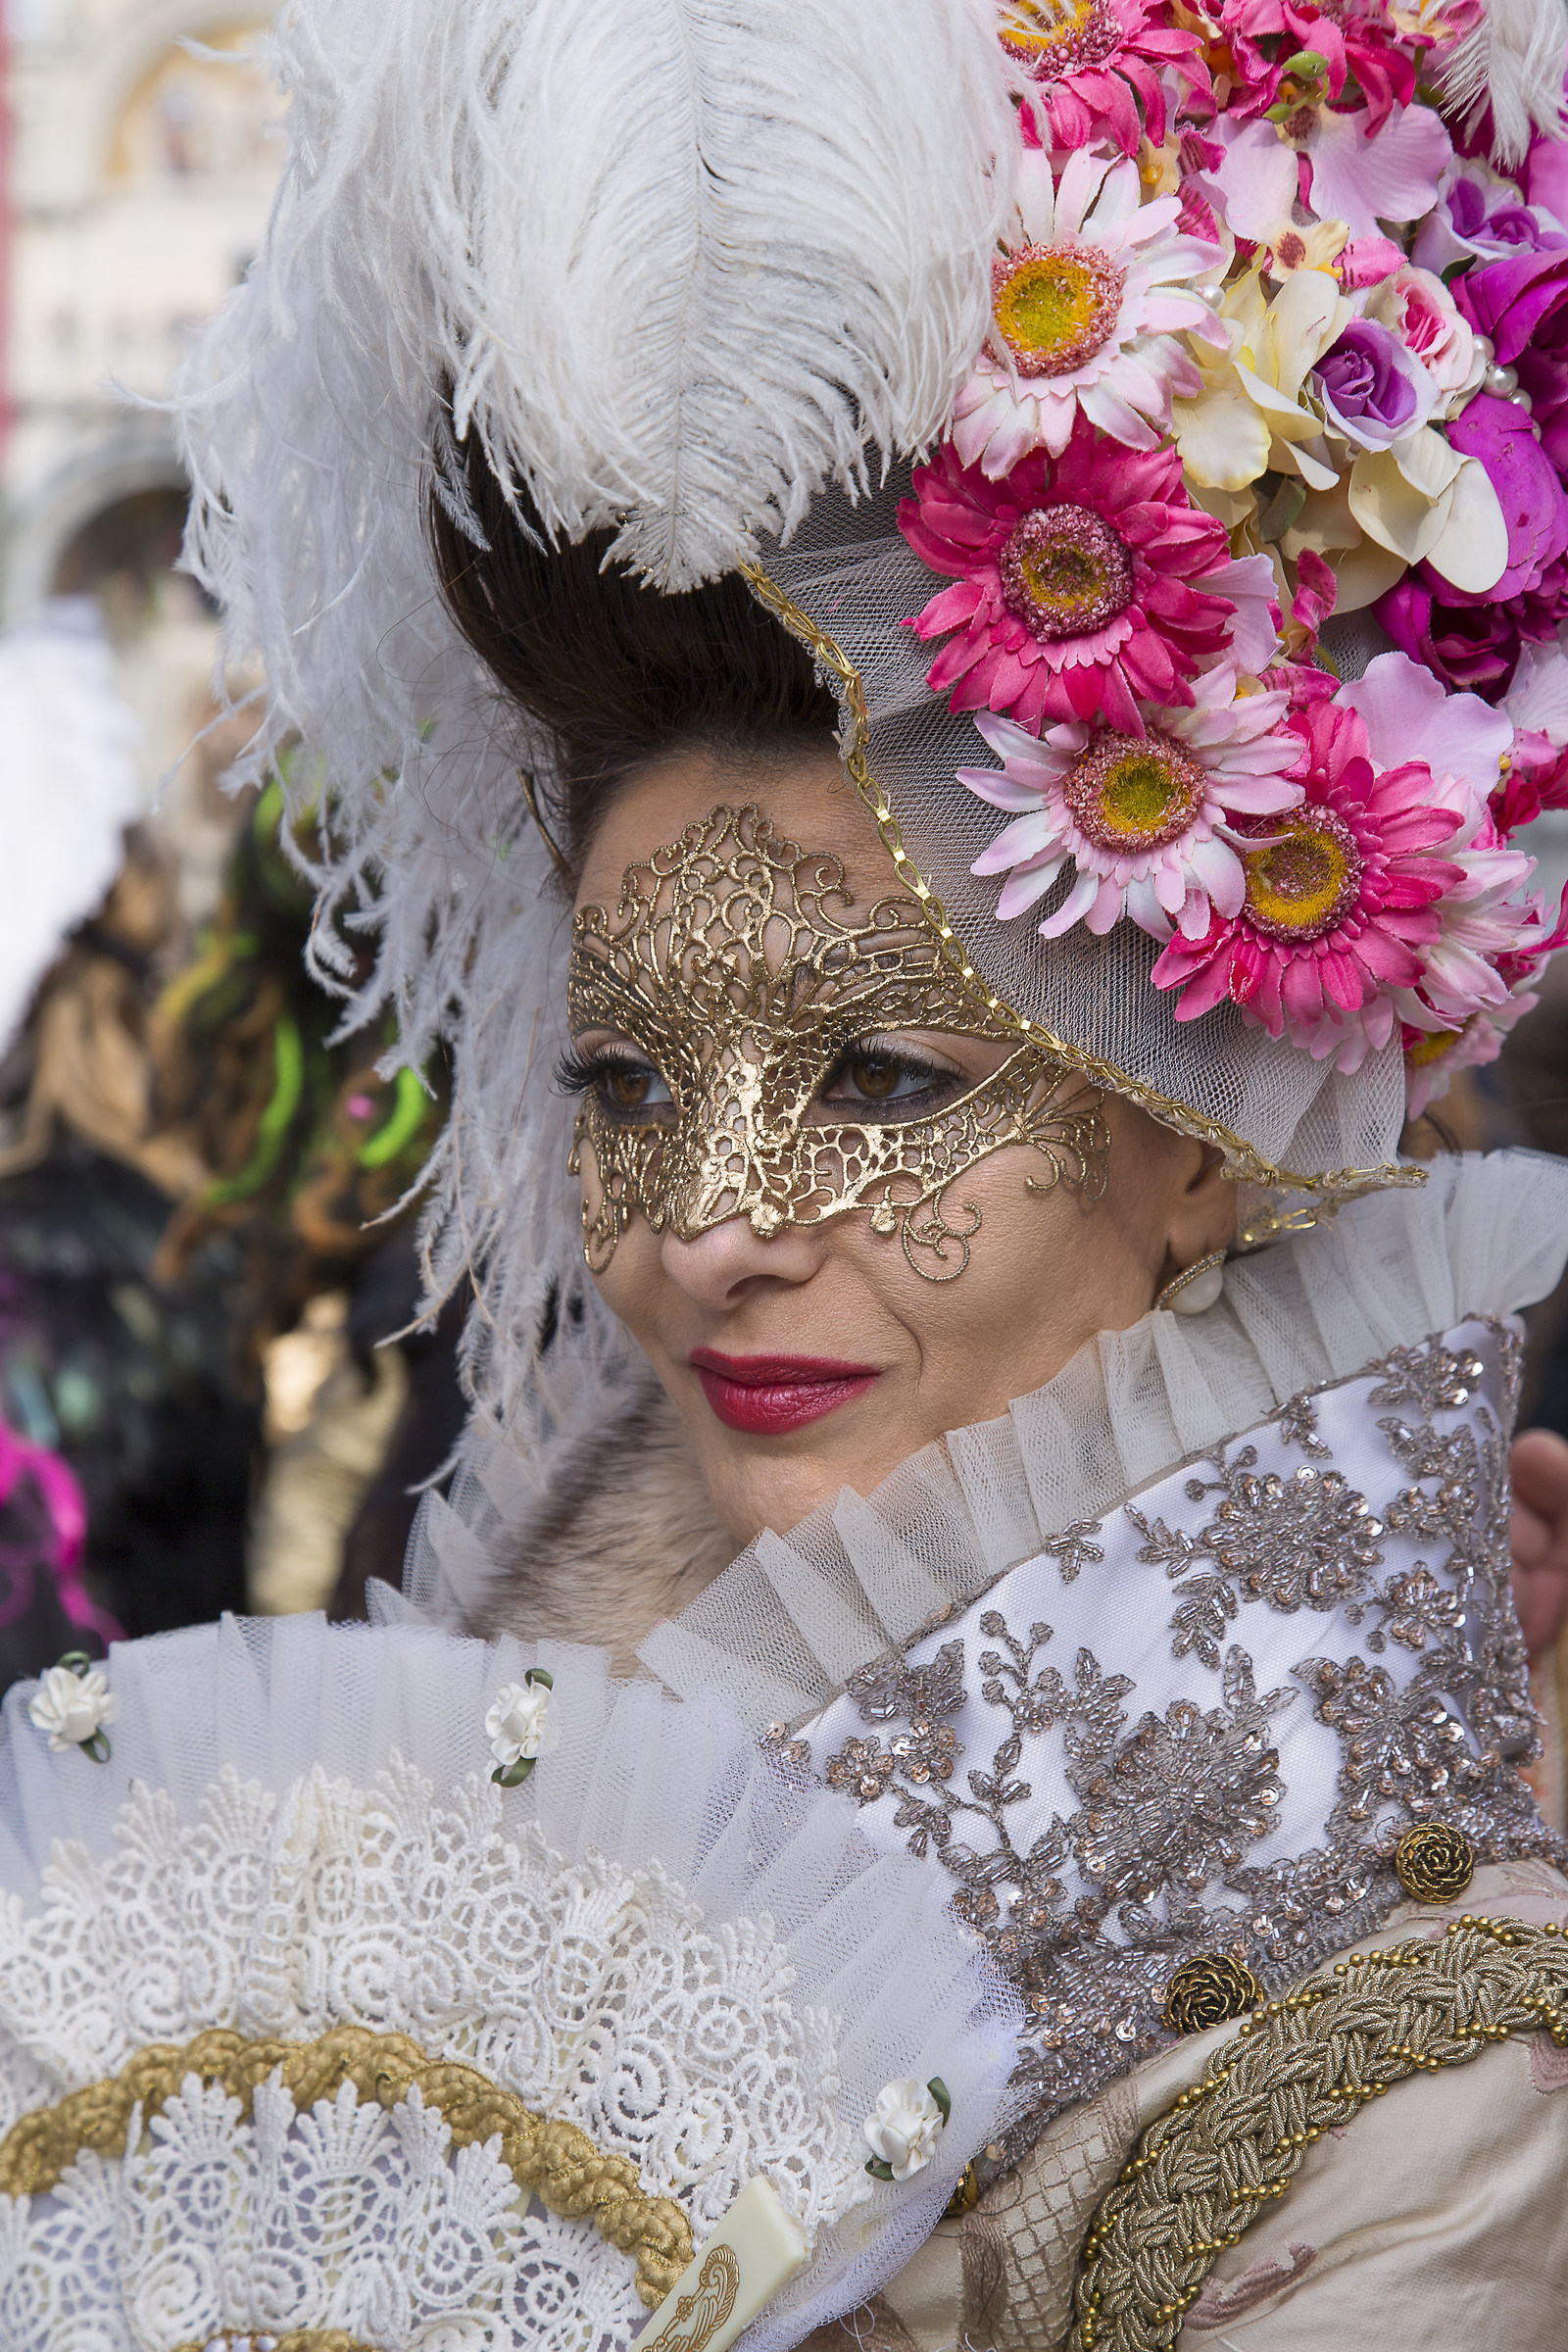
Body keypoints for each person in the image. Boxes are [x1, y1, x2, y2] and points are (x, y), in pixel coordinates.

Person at [5, 3, 1568, 2348]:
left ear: (1194, 1150)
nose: (713, 1224)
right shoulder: (440, 1833)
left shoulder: (1422, 2068)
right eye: (625, 1087)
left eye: (883, 1076)